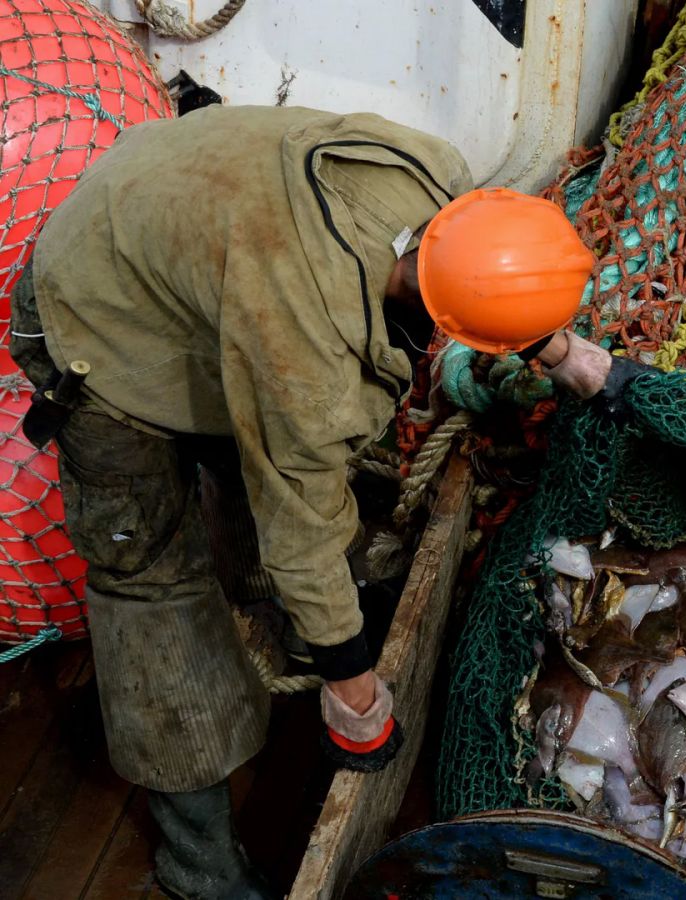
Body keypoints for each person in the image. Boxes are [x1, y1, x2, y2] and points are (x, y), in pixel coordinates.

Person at [10, 105, 613, 899]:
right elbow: (296, 519)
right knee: (149, 584)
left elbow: (482, 275)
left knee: (270, 469)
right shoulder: (308, 348)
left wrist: (564, 352)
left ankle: (288, 619)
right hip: (97, 320)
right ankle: (200, 867)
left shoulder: (437, 173)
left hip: (171, 212)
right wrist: (353, 689)